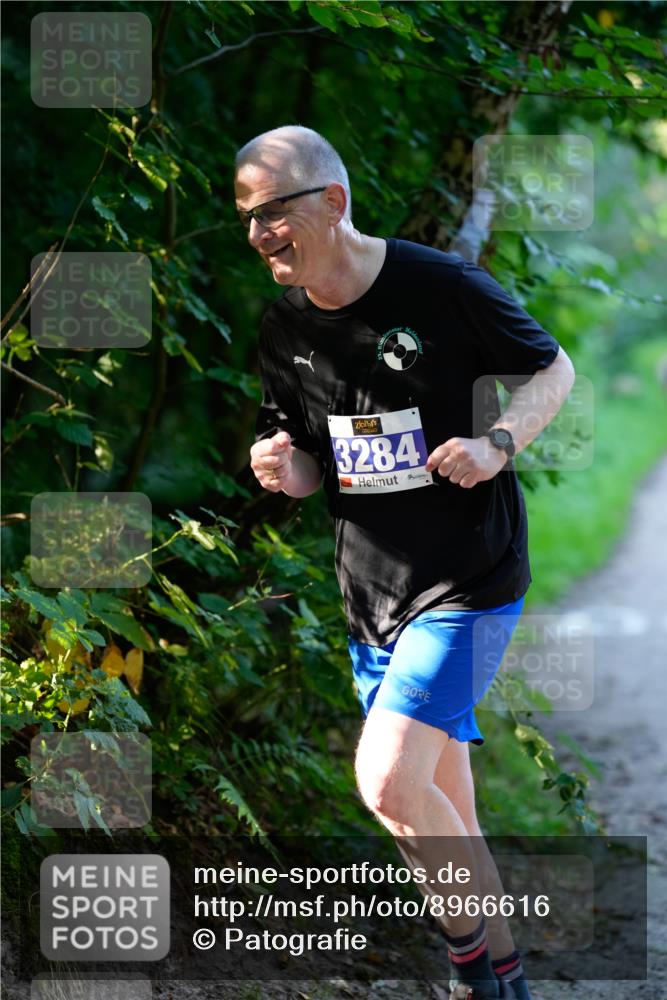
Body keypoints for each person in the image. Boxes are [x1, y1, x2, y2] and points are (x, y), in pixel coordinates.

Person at [237, 125, 575, 1000]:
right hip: (371, 599)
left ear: (333, 202)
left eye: (274, 210)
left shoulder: (439, 285)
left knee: (385, 783)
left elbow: (552, 368)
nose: (259, 232)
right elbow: (315, 467)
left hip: (467, 582)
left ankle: (466, 974)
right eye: (246, 217)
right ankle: (504, 982)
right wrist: (283, 466)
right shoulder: (282, 327)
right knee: (444, 816)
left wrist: (497, 442)